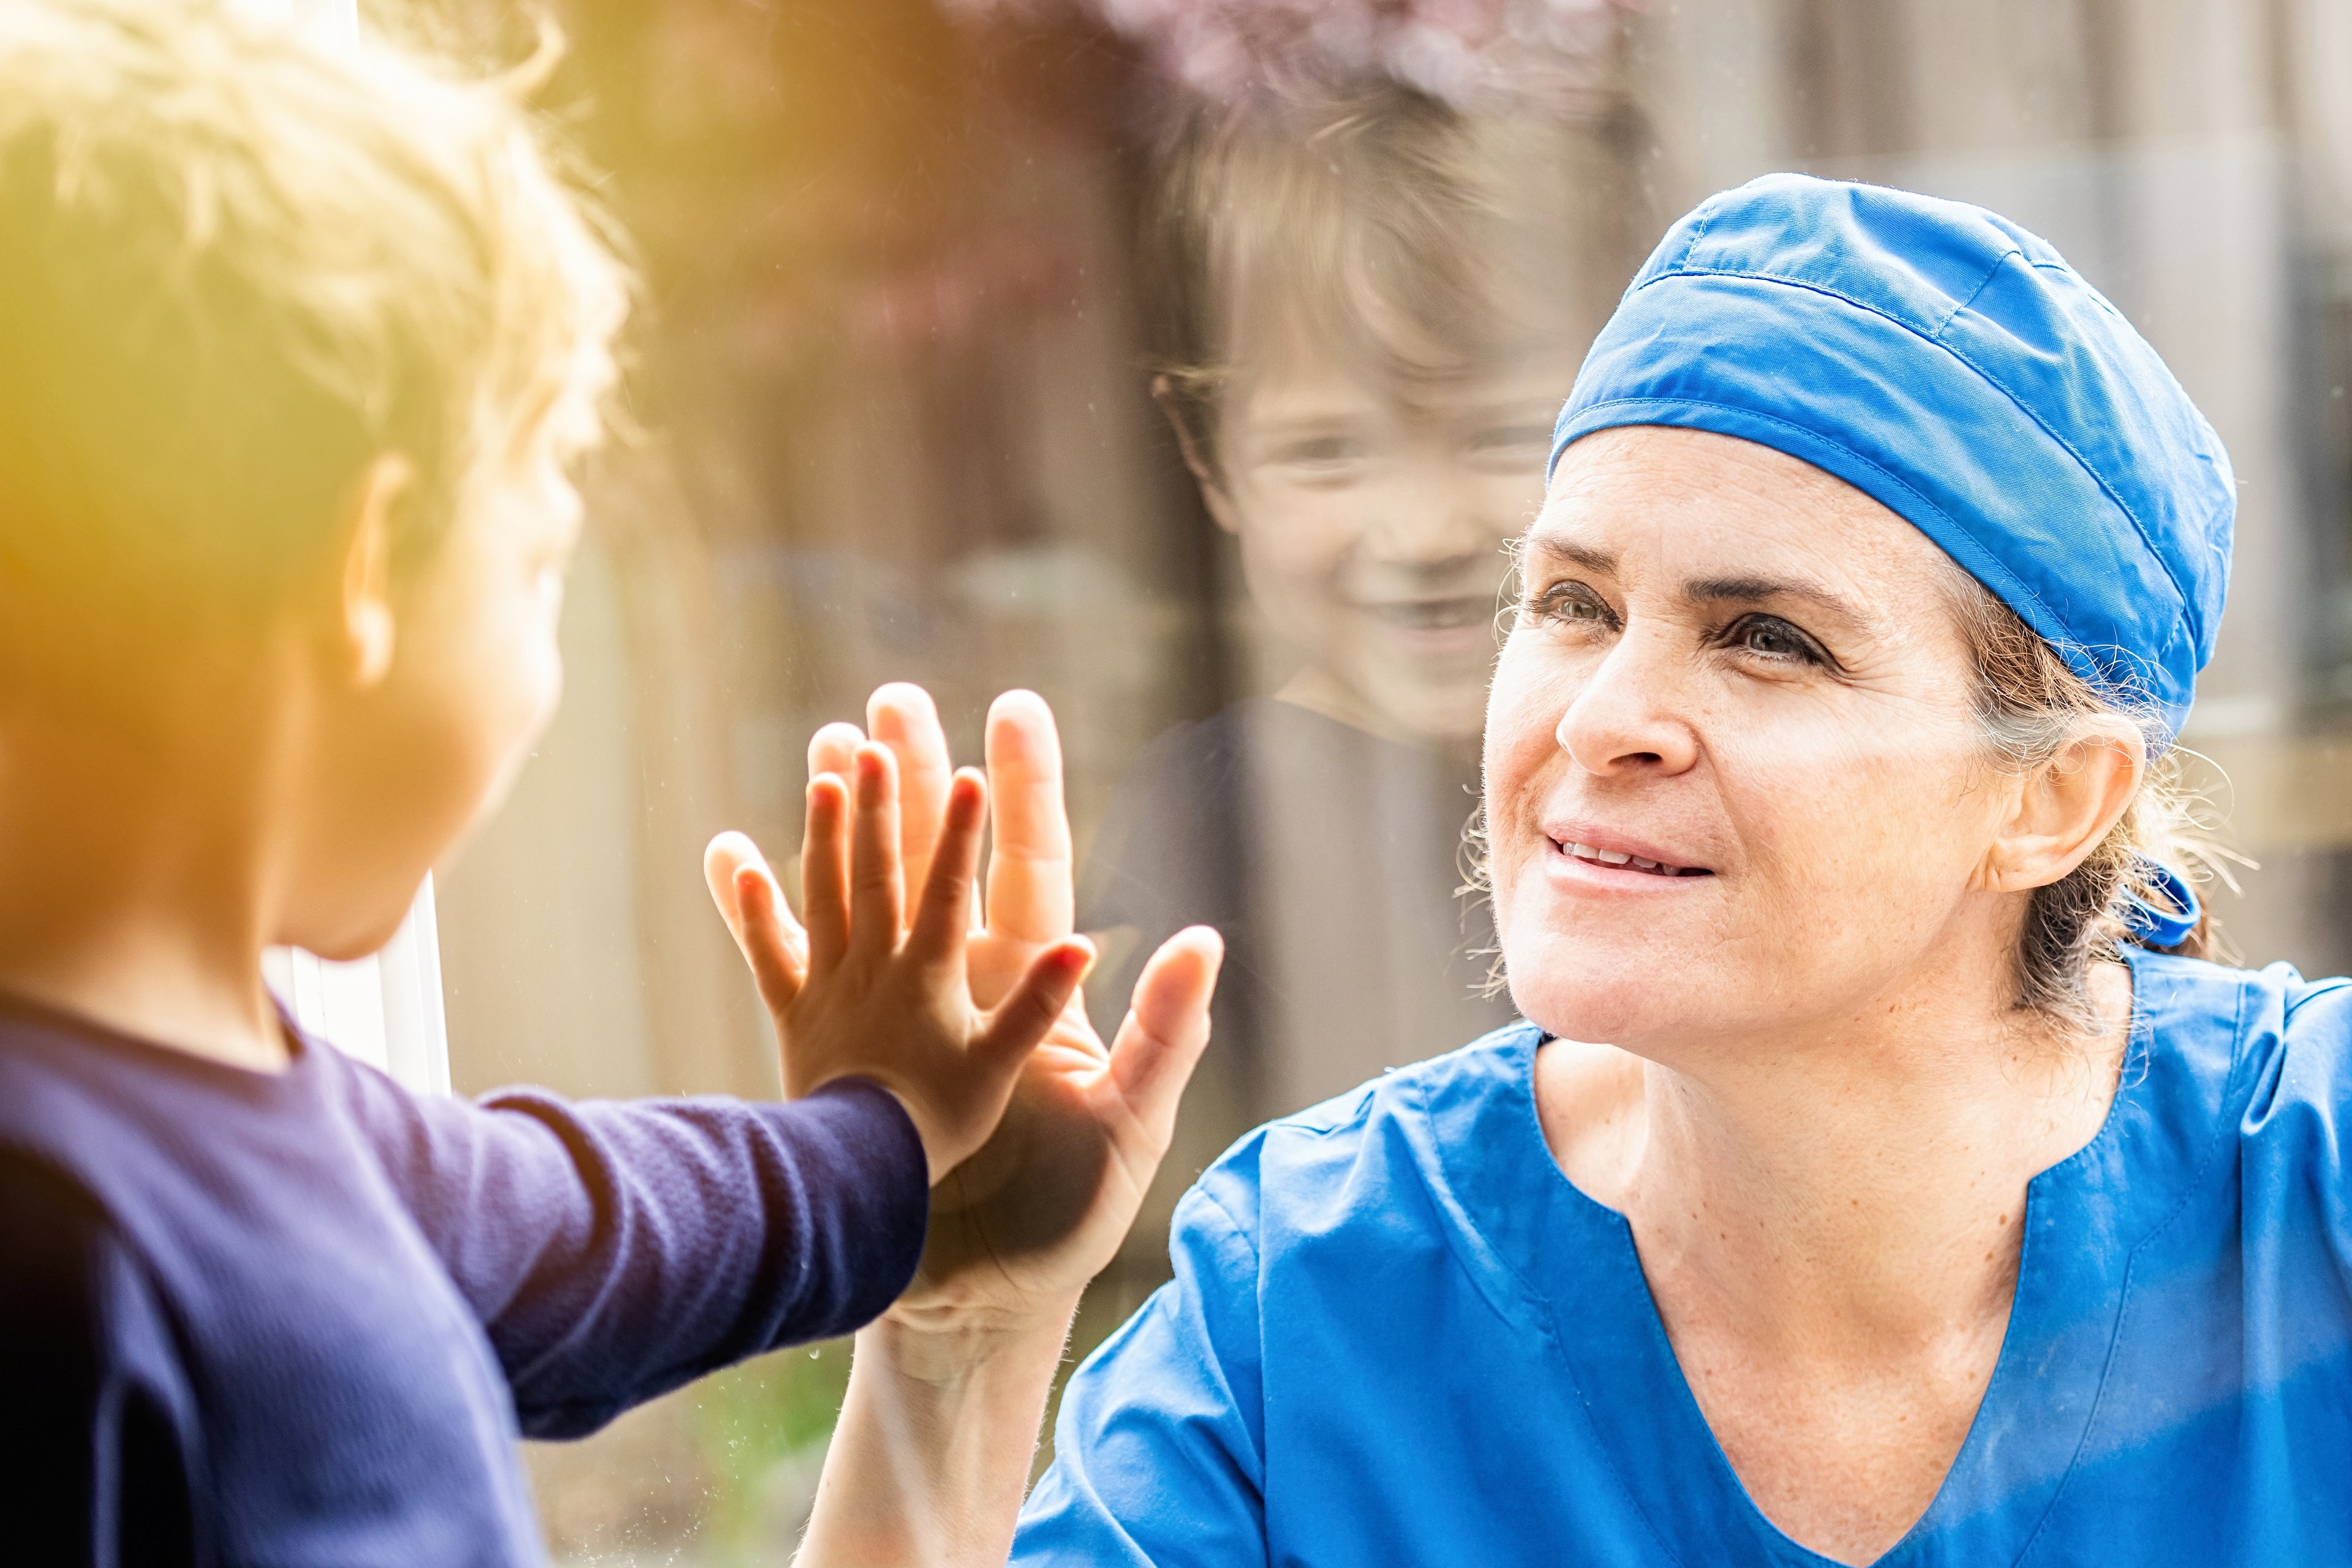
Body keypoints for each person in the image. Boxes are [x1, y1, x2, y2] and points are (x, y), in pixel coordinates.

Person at [774, 175, 2352, 1567]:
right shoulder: (1311, 1305)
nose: (1600, 717)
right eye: (1574, 605)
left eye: (1768, 639)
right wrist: (956, 1341)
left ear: (2053, 798)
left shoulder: (2320, 1186)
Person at [0, 4, 1219, 1561]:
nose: (547, 663)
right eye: (533, 567)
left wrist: (891, 1144)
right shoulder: (66, 1250)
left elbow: (588, 1230)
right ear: (364, 568)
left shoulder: (244, 1123)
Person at [1080, 83, 1646, 1127]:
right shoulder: (1217, 823)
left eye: (1502, 435)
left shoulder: (1671, 752)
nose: (1423, 533)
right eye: (1328, 453)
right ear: (1207, 456)